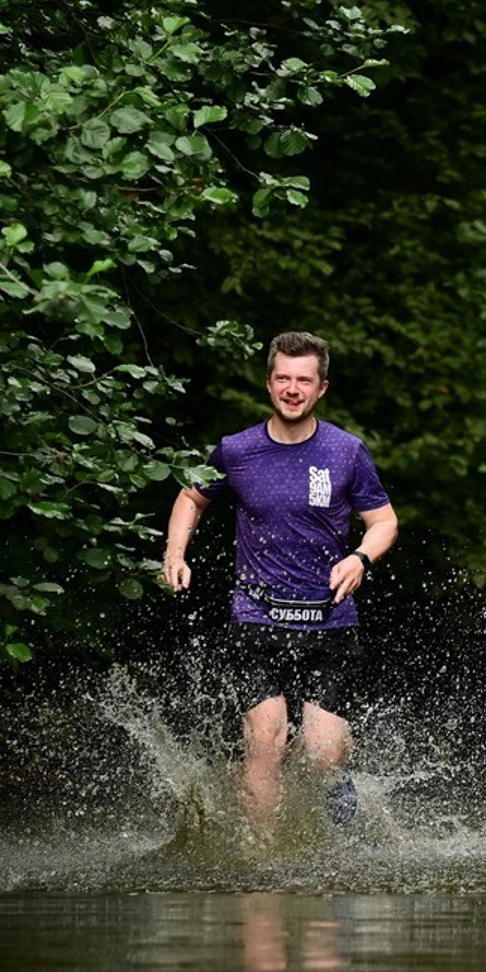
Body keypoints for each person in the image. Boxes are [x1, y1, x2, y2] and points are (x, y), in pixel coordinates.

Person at [162, 331, 398, 830]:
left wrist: (360, 558)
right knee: (265, 741)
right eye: (283, 378)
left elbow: (384, 523)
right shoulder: (236, 450)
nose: (293, 389)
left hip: (329, 618)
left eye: (304, 381)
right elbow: (191, 497)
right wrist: (175, 553)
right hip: (256, 616)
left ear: (321, 389)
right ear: (270, 383)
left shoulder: (345, 451)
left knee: (322, 754)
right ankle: (262, 856)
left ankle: (338, 787)